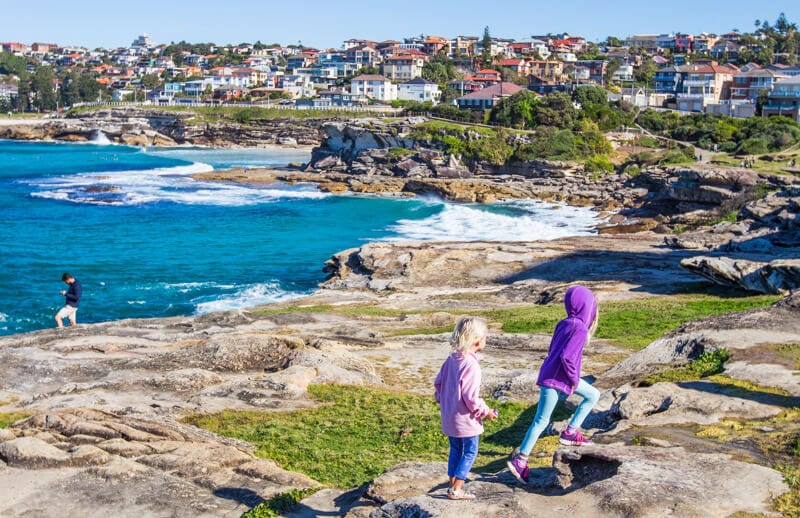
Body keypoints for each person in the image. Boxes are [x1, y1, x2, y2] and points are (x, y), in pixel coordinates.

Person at [507, 285, 601, 484]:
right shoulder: (581, 328)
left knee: (540, 421)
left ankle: (566, 434)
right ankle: (566, 434)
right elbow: (568, 357)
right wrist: (574, 380)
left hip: (550, 375)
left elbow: (554, 350)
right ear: (587, 307)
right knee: (591, 396)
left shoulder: (564, 323)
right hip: (560, 379)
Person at [434, 316, 498, 500]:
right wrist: (486, 411)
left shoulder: (451, 360)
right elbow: (471, 398)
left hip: (449, 417)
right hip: (465, 420)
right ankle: (457, 489)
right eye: (485, 337)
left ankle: (451, 484)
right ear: (477, 340)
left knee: (455, 450)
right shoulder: (471, 365)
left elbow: (438, 385)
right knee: (470, 451)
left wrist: (444, 400)